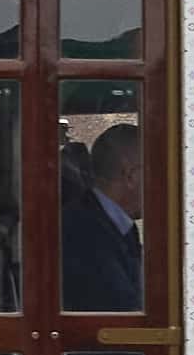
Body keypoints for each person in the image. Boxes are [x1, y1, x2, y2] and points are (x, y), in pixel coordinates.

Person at [61, 125, 150, 313]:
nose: (161, 184)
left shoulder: (119, 225)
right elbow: (122, 309)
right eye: (155, 173)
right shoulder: (82, 232)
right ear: (131, 176)